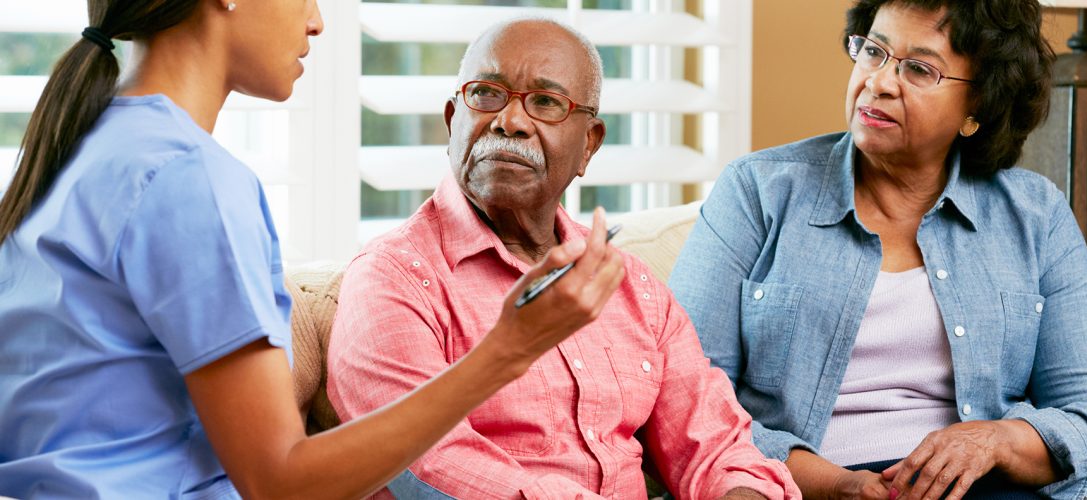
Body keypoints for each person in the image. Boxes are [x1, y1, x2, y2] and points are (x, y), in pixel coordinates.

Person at [0, 1, 622, 498]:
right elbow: (281, 481)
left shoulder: (73, 148)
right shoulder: (189, 178)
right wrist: (507, 351)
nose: (317, 20)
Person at [669, 1, 1087, 499]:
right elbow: (684, 398)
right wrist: (834, 485)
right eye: (873, 51)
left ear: (978, 103)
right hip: (799, 487)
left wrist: (995, 441)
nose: (879, 82)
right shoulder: (758, 192)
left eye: (919, 68)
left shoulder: (1035, 215)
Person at [325, 18, 801, 500]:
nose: (509, 121)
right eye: (487, 94)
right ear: (453, 122)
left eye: (546, 103)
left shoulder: (631, 285)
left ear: (588, 145)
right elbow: (428, 462)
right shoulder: (392, 278)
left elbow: (715, 446)